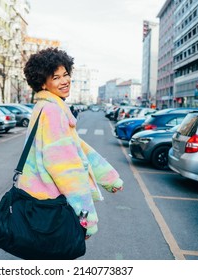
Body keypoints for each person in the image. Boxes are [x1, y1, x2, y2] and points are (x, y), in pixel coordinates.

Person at [20, 47, 124, 239]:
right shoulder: (52, 111)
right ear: (43, 83)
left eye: (65, 74)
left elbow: (77, 148)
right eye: (56, 77)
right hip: (49, 202)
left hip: (37, 197)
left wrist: (109, 178)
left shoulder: (45, 107)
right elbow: (66, 168)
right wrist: (86, 218)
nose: (65, 81)